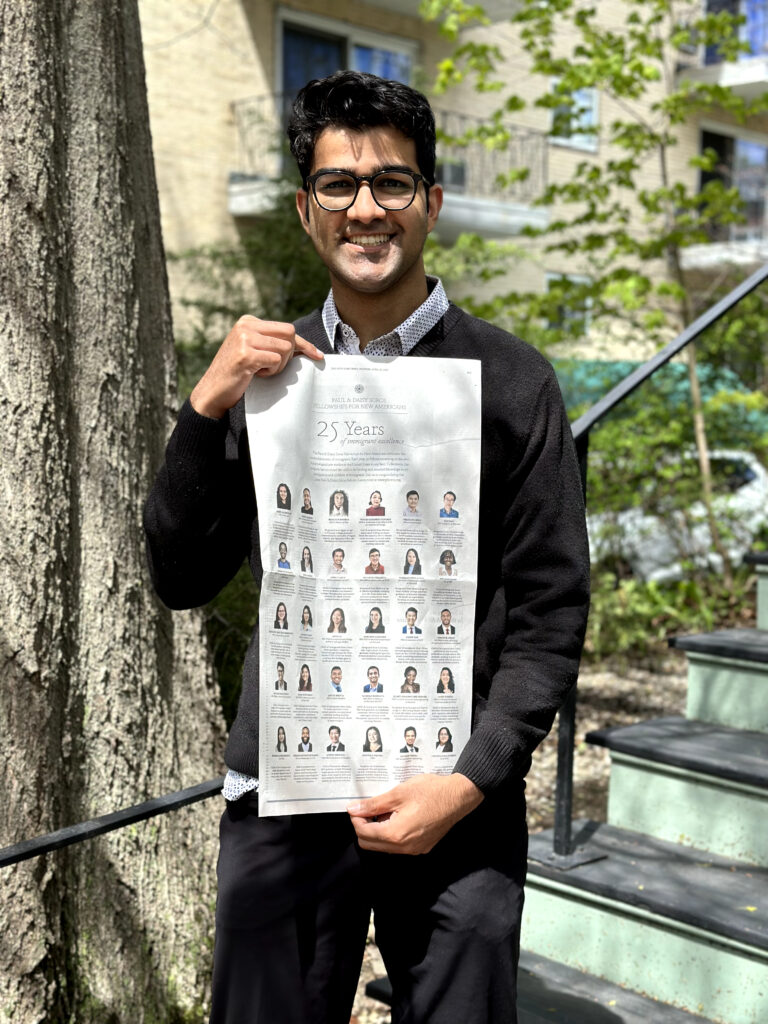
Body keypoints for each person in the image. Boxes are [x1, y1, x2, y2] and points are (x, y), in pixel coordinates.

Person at [144, 70, 589, 1024]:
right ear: (308, 211)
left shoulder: (514, 384)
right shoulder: (264, 376)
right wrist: (203, 408)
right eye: (339, 185)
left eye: (391, 183)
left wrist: (472, 779)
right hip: (287, 784)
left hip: (451, 790)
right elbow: (179, 577)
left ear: (430, 201)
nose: (366, 208)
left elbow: (552, 614)